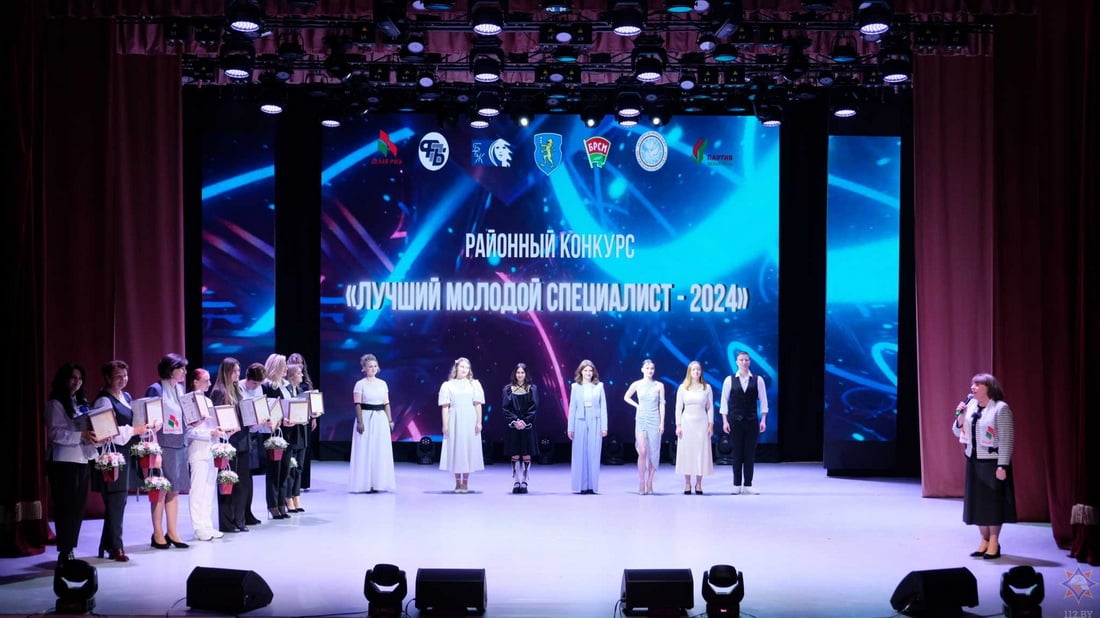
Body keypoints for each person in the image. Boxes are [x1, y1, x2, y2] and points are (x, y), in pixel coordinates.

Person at [91, 360, 153, 562]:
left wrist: (146, 428)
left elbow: (135, 423)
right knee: (116, 501)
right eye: (118, 376)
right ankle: (116, 546)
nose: (123, 379)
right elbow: (107, 431)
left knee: (119, 502)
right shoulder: (103, 401)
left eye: (125, 375)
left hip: (126, 454)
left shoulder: (125, 397)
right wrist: (135, 430)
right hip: (112, 456)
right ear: (107, 377)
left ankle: (108, 544)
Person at [952, 373, 1016, 559]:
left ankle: (994, 541)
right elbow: (956, 431)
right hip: (973, 461)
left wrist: (1002, 465)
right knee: (978, 503)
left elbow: (1006, 439)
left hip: (992, 463)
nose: (973, 387)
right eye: (972, 384)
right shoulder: (970, 405)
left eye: (978, 384)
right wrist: (960, 416)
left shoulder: (1000, 408)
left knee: (992, 504)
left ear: (989, 388)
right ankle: (984, 540)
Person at [45, 362, 98, 565]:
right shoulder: (55, 404)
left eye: (80, 379)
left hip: (82, 459)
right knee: (65, 508)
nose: (77, 382)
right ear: (64, 379)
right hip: (63, 461)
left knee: (78, 508)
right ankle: (65, 550)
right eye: (73, 378)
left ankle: (70, 548)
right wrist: (81, 435)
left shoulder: (81, 402)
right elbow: (55, 433)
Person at [144, 353, 191, 549]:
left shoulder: (180, 389)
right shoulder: (156, 389)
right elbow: (150, 421)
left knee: (175, 489)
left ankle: (172, 531)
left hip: (179, 444)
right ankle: (157, 533)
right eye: (181, 368)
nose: (185, 372)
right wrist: (155, 450)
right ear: (171, 370)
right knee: (161, 490)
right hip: (163, 445)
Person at [210, 358, 253, 533]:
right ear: (226, 372)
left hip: (243, 440)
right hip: (228, 442)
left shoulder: (238, 389)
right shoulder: (219, 391)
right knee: (227, 483)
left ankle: (240, 520)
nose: (238, 374)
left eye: (239, 370)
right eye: (234, 371)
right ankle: (227, 523)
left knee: (242, 483)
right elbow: (217, 418)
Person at [719, 351, 768, 495]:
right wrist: (725, 421)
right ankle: (736, 484)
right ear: (736, 362)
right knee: (737, 453)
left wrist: (763, 419)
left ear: (750, 361)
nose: (744, 362)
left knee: (749, 453)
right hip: (735, 421)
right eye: (741, 360)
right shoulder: (729, 380)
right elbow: (724, 401)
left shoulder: (758, 380)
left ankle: (748, 484)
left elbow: (763, 401)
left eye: (746, 360)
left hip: (752, 421)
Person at [185, 367, 223, 541]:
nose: (209, 383)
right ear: (195, 382)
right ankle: (198, 527)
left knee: (209, 489)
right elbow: (189, 430)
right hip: (198, 450)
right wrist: (209, 433)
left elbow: (212, 424)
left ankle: (207, 524)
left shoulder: (207, 400)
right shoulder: (188, 401)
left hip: (211, 449)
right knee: (198, 489)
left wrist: (219, 430)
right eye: (205, 380)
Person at [349, 353, 396, 493]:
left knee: (379, 450)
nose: (373, 368)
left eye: (375, 366)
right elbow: (357, 404)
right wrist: (360, 421)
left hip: (380, 419)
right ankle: (365, 483)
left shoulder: (382, 383)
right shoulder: (360, 384)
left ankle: (379, 483)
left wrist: (390, 420)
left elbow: (386, 403)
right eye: (370, 366)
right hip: (366, 417)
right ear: (364, 368)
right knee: (365, 449)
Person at [438, 357, 485, 493]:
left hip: (469, 419)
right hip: (454, 419)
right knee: (456, 449)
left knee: (468, 449)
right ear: (456, 368)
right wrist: (445, 425)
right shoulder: (448, 385)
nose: (464, 369)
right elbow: (445, 406)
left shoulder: (474, 384)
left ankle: (465, 482)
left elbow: (477, 404)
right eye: (462, 366)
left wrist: (479, 422)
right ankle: (458, 482)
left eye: (467, 367)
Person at [623, 359, 665, 495]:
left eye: (652, 368)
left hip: (655, 419)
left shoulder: (659, 385)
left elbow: (662, 405)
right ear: (642, 369)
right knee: (642, 450)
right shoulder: (637, 384)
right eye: (647, 368)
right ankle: (641, 481)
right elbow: (626, 397)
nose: (650, 370)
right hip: (641, 418)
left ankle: (650, 482)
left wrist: (662, 422)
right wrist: (637, 406)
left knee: (654, 452)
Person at [262, 353, 296, 519]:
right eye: (283, 366)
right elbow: (268, 410)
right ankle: (273, 504)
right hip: (274, 433)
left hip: (288, 432)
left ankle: (282, 503)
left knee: (284, 470)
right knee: (274, 470)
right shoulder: (267, 386)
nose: (286, 369)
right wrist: (281, 420)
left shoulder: (287, 386)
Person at [674, 360, 714, 494]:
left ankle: (699, 483)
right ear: (689, 372)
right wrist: (678, 425)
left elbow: (710, 408)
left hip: (701, 423)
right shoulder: (682, 388)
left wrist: (710, 424)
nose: (696, 372)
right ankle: (687, 483)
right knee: (687, 452)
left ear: (701, 371)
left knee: (700, 452)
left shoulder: (707, 388)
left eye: (698, 369)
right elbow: (678, 408)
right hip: (686, 423)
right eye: (693, 369)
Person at [567, 359, 607, 494]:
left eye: (590, 370)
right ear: (581, 372)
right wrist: (570, 428)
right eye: (585, 370)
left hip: (595, 420)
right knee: (579, 453)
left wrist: (604, 426)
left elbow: (603, 407)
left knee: (594, 453)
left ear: (593, 372)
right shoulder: (575, 387)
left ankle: (592, 486)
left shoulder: (599, 386)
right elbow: (572, 408)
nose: (588, 373)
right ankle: (581, 486)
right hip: (579, 420)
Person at [502, 362, 538, 494]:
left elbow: (534, 407)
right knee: (515, 453)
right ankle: (516, 480)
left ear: (526, 374)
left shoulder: (532, 388)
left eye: (522, 372)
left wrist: (524, 421)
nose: (520, 375)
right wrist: (515, 421)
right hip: (514, 426)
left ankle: (524, 481)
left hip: (527, 425)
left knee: (527, 453)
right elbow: (506, 408)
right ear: (515, 374)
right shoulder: (507, 389)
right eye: (518, 372)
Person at [238, 362, 267, 526]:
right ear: (247, 378)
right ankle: (241, 513)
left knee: (250, 477)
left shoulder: (259, 389)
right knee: (243, 477)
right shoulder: (240, 388)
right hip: (242, 436)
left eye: (259, 384)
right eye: (254, 383)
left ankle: (248, 511)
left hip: (255, 435)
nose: (256, 387)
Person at [287, 352, 316, 492]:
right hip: (292, 420)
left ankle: (302, 483)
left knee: (304, 450)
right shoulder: (287, 385)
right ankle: (292, 488)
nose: (298, 364)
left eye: (300, 362)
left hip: (305, 419)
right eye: (294, 361)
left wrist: (314, 417)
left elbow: (312, 401)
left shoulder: (306, 382)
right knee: (294, 453)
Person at [284, 362, 311, 511]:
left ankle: (296, 496)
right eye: (299, 373)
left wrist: (312, 413)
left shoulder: (301, 390)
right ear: (292, 375)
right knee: (291, 467)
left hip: (302, 432)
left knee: (299, 466)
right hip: (291, 433)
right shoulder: (286, 391)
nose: (302, 375)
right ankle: (288, 497)